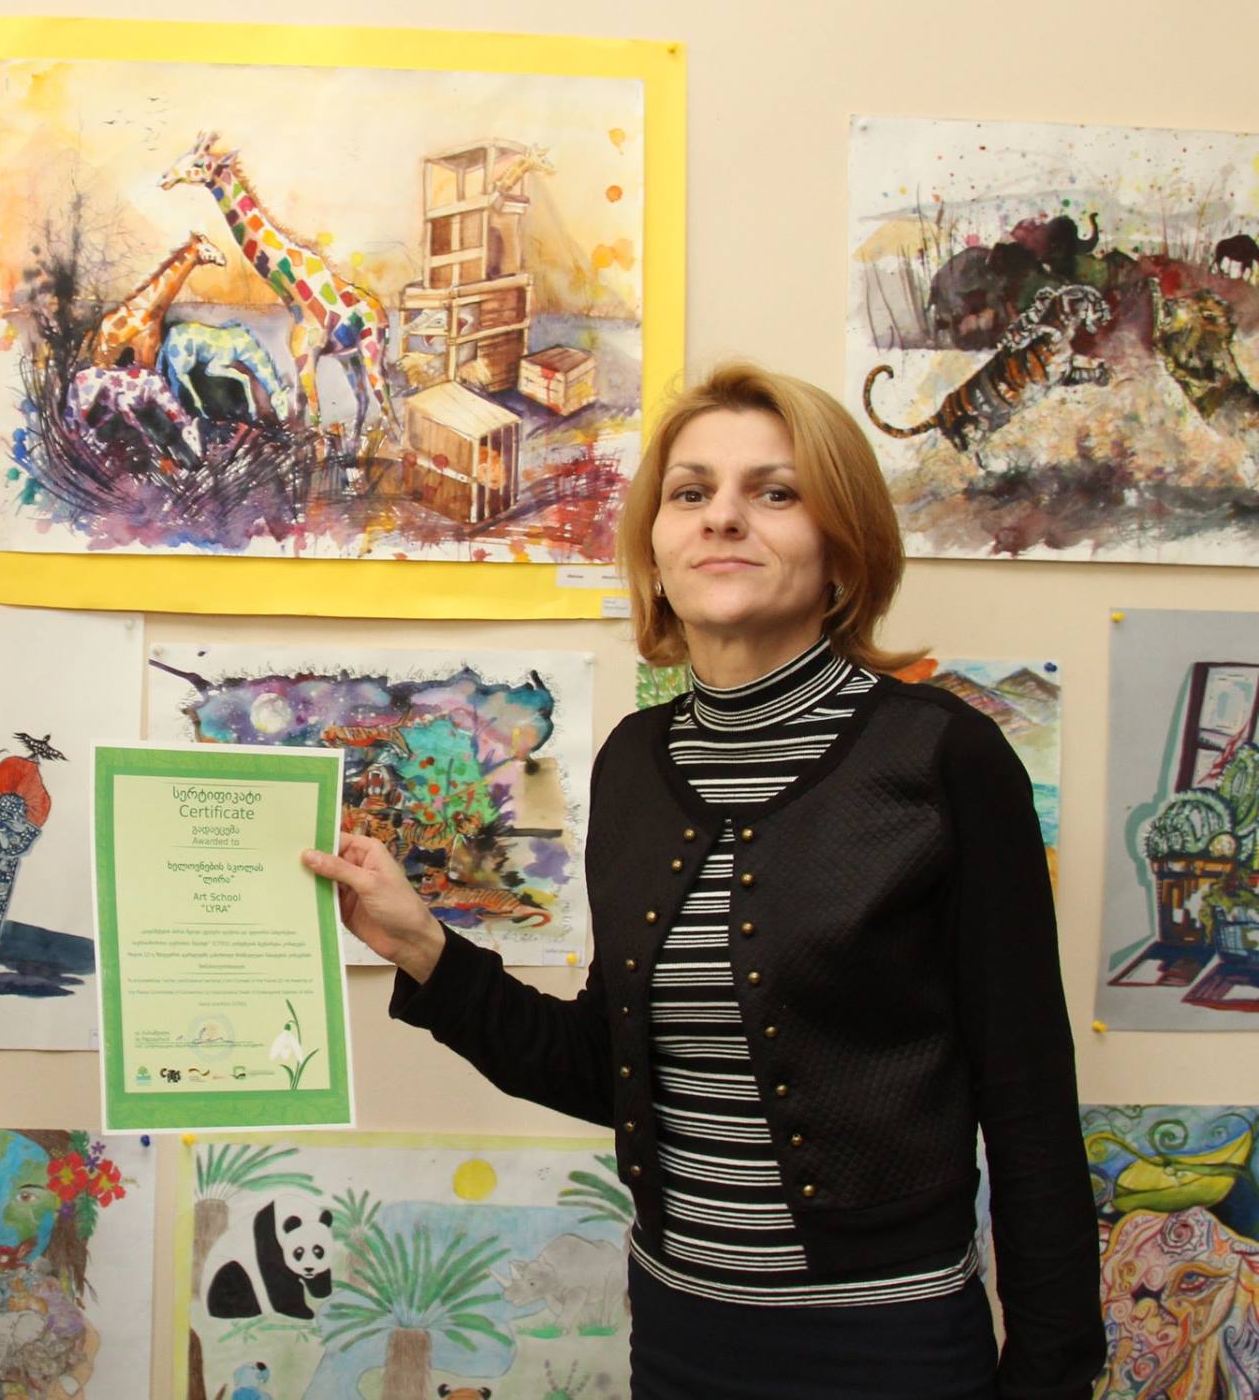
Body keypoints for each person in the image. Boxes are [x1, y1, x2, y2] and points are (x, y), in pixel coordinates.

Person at [303, 363, 1105, 1399]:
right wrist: (423, 948)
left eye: (774, 491)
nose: (722, 516)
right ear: (654, 546)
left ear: (842, 546)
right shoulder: (633, 763)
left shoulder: (943, 757)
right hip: (680, 1338)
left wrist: (1048, 1377)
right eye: (690, 492)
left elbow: (1029, 1101)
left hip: (891, 1346)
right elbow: (610, 1068)